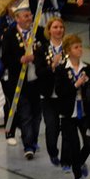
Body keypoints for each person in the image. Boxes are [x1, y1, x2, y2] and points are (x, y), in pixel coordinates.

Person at [0, 0, 45, 156]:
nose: (29, 18)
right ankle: (28, 146)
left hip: (37, 80)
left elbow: (45, 51)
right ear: (17, 18)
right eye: (26, 16)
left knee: (37, 115)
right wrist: (19, 60)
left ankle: (33, 139)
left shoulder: (38, 32)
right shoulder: (10, 34)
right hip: (19, 81)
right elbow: (5, 57)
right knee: (25, 113)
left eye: (30, 15)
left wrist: (35, 57)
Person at [55, 34, 90, 179]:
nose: (80, 49)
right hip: (68, 113)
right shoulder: (61, 69)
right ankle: (77, 176)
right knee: (73, 144)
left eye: (80, 46)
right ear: (68, 50)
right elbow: (60, 91)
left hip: (84, 112)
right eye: (76, 47)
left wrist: (87, 85)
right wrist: (75, 85)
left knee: (89, 142)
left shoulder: (88, 68)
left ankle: (77, 163)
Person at [34, 17, 69, 167]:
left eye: (61, 27)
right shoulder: (42, 49)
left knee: (67, 128)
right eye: (55, 27)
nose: (58, 30)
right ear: (49, 30)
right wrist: (52, 66)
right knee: (52, 126)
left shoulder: (68, 48)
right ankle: (53, 152)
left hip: (65, 95)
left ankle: (67, 158)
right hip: (48, 95)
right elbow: (39, 71)